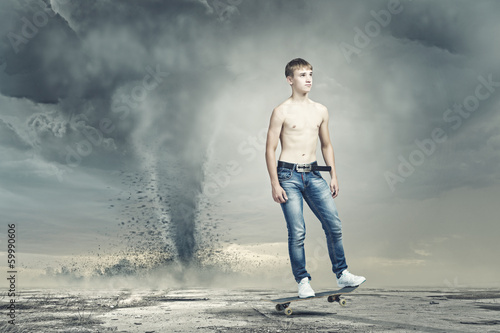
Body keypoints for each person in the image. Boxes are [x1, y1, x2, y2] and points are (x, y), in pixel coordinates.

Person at [265, 58, 365, 298]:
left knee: (334, 225)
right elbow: (270, 149)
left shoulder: (321, 110)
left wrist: (333, 175)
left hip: (314, 174)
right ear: (290, 80)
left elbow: (327, 144)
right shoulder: (281, 111)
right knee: (297, 231)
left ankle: (342, 274)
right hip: (288, 175)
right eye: (302, 75)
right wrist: (274, 183)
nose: (308, 79)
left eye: (310, 74)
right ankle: (303, 281)